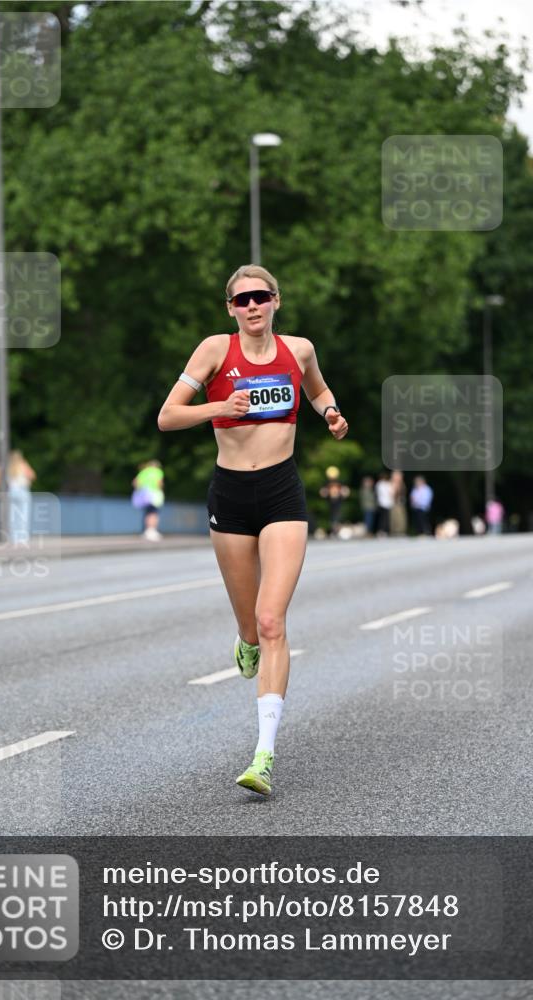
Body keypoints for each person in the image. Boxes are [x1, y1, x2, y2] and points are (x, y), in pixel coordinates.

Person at [158, 264, 348, 796]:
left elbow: (318, 390)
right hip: (231, 496)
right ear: (231, 309)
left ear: (276, 301)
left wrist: (331, 413)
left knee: (271, 620)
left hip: (283, 492)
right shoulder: (214, 350)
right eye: (242, 300)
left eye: (260, 297)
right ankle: (244, 641)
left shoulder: (299, 350)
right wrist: (220, 406)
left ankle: (263, 755)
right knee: (250, 626)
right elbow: (167, 416)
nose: (252, 306)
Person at [0, 450, 36, 544]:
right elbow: (32, 476)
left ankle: (13, 538)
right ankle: (22, 538)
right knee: (23, 516)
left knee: (11, 517)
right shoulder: (23, 465)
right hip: (23, 491)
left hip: (10, 492)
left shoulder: (5, 466)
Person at [132, 460, 165, 541]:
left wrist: (139, 490)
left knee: (147, 513)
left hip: (144, 495)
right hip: (154, 494)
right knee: (153, 513)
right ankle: (152, 531)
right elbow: (159, 483)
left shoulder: (143, 472)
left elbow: (135, 482)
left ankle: (146, 531)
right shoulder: (157, 471)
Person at [318, 465, 351, 537]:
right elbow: (322, 492)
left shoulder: (340, 482)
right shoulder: (326, 483)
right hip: (330, 502)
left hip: (338, 502)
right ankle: (333, 531)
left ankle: (336, 531)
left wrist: (342, 493)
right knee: (332, 517)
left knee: (337, 516)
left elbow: (346, 491)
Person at [374, 471, 393, 537]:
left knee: (385, 518)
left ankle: (385, 530)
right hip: (383, 503)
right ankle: (381, 530)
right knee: (383, 518)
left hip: (387, 503)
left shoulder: (386, 484)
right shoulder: (380, 484)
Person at [389, 469, 407, 536]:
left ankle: (401, 531)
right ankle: (394, 531)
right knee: (394, 517)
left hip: (400, 502)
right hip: (393, 503)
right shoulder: (391, 484)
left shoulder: (402, 484)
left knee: (401, 517)